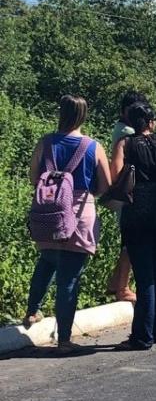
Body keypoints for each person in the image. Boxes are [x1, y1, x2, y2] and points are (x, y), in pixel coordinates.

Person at [23, 95, 111, 353]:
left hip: (48, 213)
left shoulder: (45, 143)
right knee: (69, 280)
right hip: (79, 213)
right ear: (84, 116)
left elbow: (33, 177)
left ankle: (32, 311)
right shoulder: (92, 146)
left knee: (47, 260)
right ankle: (63, 340)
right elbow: (105, 186)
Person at [111, 102, 156, 350]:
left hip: (137, 216)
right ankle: (155, 331)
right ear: (151, 122)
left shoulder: (125, 144)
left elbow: (115, 177)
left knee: (144, 277)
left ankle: (141, 336)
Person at [106, 91, 147, 303]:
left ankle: (116, 282)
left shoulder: (120, 128)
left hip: (125, 195)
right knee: (129, 243)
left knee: (128, 241)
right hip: (131, 194)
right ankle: (122, 286)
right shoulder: (129, 132)